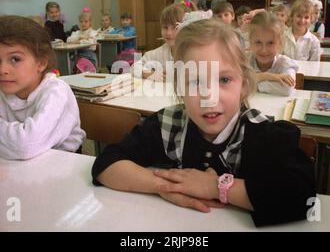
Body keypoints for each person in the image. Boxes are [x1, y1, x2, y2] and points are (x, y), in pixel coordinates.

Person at [92, 18, 315, 227]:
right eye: (195, 81)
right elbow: (106, 164)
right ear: (180, 88)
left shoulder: (260, 133)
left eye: (224, 80)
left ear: (244, 85)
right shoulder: (168, 125)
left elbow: (301, 196)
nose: (209, 96)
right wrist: (167, 186)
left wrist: (216, 187)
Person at [0, 16, 86, 160]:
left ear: (41, 63)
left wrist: (16, 144)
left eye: (15, 59)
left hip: (64, 163)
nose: (3, 69)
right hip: (18, 167)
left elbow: (26, 146)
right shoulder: (5, 87)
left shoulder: (57, 92)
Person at [249, 11, 298, 96]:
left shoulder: (285, 63)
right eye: (258, 42)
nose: (264, 50)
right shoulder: (245, 61)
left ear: (280, 43)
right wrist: (266, 76)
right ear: (250, 42)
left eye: (270, 43)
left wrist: (253, 84)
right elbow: (234, 84)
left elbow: (287, 89)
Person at [132, 4, 185, 81]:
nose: (168, 33)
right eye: (165, 27)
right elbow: (135, 67)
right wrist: (149, 73)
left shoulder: (195, 52)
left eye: (175, 28)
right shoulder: (159, 52)